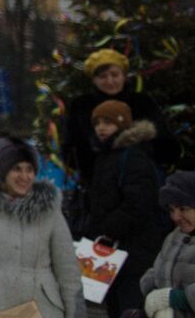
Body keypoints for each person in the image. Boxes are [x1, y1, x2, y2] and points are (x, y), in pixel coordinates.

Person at [0, 136, 80, 318]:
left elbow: (68, 271)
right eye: (17, 169)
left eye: (30, 170)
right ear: (2, 172)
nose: (24, 176)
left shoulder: (49, 210)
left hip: (44, 309)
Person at [83, 100, 170, 314]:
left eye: (108, 122)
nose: (101, 127)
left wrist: (106, 230)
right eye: (97, 122)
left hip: (133, 253)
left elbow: (138, 203)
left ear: (123, 124)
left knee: (130, 308)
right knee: (115, 308)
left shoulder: (132, 156)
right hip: (114, 255)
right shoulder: (107, 155)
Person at [64, 49, 181, 186]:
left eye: (115, 75)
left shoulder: (142, 103)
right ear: (94, 80)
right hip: (99, 184)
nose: (110, 81)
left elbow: (169, 147)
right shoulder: (82, 106)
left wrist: (141, 151)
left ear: (124, 76)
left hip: (142, 181)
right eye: (103, 76)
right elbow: (70, 150)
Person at [138, 170, 195, 318]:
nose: (176, 217)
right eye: (171, 210)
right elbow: (156, 273)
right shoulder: (174, 237)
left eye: (183, 209)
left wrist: (173, 298)